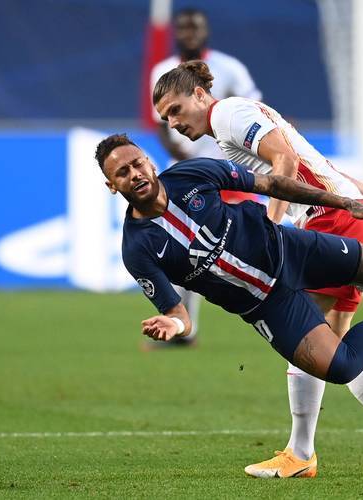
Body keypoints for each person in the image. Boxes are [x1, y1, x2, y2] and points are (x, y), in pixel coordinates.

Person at [95, 133, 363, 472]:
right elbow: (178, 313)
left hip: (290, 250)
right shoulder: (137, 249)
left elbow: (273, 183)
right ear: (112, 186)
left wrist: (348, 204)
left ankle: (325, 449)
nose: (134, 174)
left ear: (150, 161)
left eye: (137, 163)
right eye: (122, 173)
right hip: (268, 305)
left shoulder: (193, 173)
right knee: (340, 366)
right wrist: (174, 324)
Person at [152, 61, 363, 476]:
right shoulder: (236, 117)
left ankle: (301, 454)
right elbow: (325, 169)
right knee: (331, 349)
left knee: (302, 337)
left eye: (176, 110)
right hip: (346, 216)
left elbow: (284, 162)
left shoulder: (228, 115)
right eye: (165, 118)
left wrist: (269, 229)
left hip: (330, 221)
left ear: (199, 94)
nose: (173, 123)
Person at [149, 8, 262, 347]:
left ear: (205, 31)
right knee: (182, 250)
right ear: (176, 32)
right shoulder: (162, 71)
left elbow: (252, 108)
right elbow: (160, 126)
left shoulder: (228, 67)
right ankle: (184, 329)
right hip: (187, 177)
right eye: (184, 28)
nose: (190, 33)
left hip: (231, 171)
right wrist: (182, 156)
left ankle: (289, 297)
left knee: (258, 240)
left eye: (195, 27)